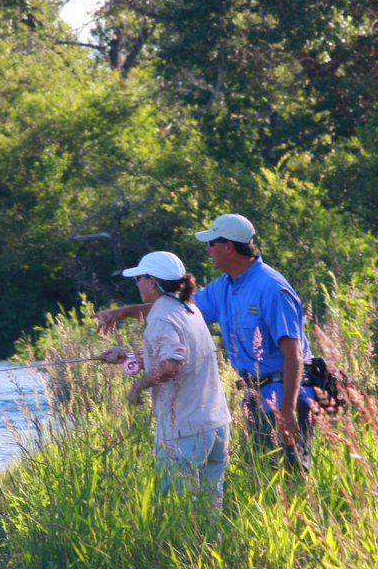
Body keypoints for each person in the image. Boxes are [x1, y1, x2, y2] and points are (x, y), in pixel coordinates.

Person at [97, 215, 316, 470]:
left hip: (287, 398)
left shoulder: (272, 288)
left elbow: (293, 355)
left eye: (211, 243)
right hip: (257, 399)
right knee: (264, 477)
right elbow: (174, 309)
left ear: (229, 247)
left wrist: (287, 412)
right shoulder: (223, 287)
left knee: (291, 477)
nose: (207, 250)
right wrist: (123, 313)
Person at [98, 250, 232, 505]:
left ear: (151, 282)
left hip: (185, 430)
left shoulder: (162, 317)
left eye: (139, 278)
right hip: (216, 425)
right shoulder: (189, 309)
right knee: (210, 510)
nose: (136, 283)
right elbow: (180, 355)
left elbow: (171, 365)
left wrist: (138, 386)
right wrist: (130, 357)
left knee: (178, 509)